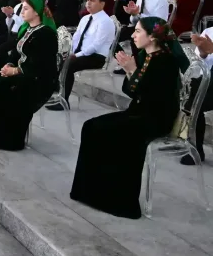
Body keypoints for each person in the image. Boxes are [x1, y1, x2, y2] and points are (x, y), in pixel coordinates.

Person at [70, 17, 188, 219]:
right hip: (139, 112)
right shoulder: (144, 56)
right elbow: (132, 91)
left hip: (155, 118)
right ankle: (90, 191)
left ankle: (119, 200)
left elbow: (154, 97)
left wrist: (132, 70)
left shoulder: (165, 61)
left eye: (138, 32)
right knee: (91, 126)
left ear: (152, 37)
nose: (133, 35)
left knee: (111, 133)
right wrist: (129, 70)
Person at [0, 0, 58, 151]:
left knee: (6, 89)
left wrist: (15, 70)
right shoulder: (28, 29)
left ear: (37, 12)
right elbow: (16, 53)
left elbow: (41, 63)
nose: (22, 12)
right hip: (22, 72)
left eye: (26, 9)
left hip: (38, 78)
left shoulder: (46, 34)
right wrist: (8, 65)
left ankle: (9, 139)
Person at [46, 0, 116, 110]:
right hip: (81, 53)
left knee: (69, 64)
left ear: (102, 4)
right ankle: (52, 93)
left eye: (92, 1)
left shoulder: (106, 22)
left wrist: (77, 55)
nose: (88, 3)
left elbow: (97, 45)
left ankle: (63, 100)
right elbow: (77, 37)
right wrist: (71, 52)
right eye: (87, 0)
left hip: (96, 56)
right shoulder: (85, 18)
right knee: (56, 59)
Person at [187, 29, 213, 165]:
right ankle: (194, 147)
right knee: (189, 93)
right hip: (209, 79)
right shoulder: (210, 31)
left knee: (198, 102)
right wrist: (203, 53)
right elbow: (198, 66)